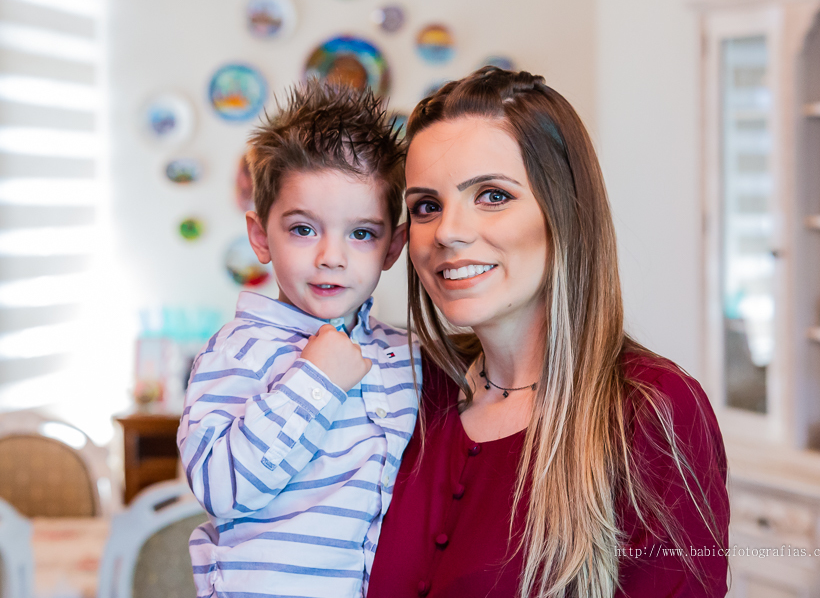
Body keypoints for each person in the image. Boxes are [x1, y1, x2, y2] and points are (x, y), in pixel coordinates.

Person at [366, 67, 729, 598]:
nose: (447, 232)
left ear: (565, 211)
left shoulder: (652, 411)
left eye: (492, 195)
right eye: (427, 206)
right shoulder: (407, 392)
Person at [177, 82, 419, 598]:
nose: (331, 256)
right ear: (261, 237)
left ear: (393, 247)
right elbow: (222, 489)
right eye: (304, 229)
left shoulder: (409, 358)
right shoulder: (236, 352)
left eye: (361, 233)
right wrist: (316, 379)